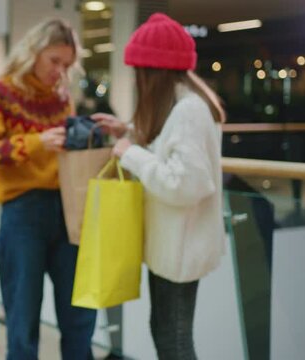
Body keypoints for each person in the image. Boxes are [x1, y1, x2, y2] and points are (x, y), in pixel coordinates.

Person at [93, 13, 226, 359]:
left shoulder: (189, 111)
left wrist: (131, 153)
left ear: (153, 70)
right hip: (173, 245)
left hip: (180, 245)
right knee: (167, 332)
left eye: (139, 70)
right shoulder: (183, 106)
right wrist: (127, 132)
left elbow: (185, 184)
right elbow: (167, 149)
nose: (137, 79)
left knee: (173, 339)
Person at [0, 18, 97, 360]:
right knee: (22, 321)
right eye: (54, 61)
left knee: (80, 317)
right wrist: (37, 142)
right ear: (34, 51)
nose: (60, 71)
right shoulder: (1, 92)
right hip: (22, 210)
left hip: (68, 209)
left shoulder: (62, 97)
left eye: (67, 65)